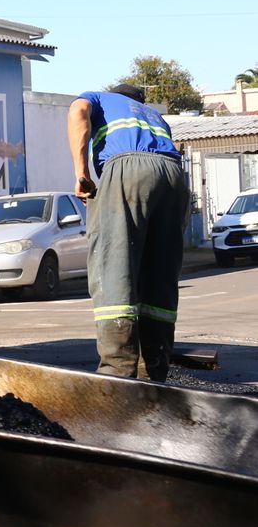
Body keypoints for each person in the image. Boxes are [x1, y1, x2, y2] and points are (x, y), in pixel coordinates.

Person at [65, 83, 188, 381]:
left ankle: (117, 371)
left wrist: (81, 173)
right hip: (174, 176)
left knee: (114, 263)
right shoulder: (156, 118)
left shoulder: (98, 97)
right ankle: (155, 369)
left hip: (127, 168)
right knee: (158, 270)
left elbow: (77, 111)